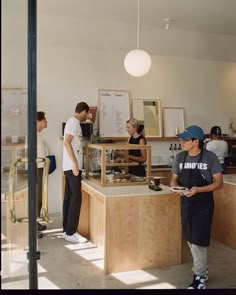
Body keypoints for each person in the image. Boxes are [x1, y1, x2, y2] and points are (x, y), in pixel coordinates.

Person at [170, 125, 223, 289]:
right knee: (190, 239)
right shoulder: (180, 157)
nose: (181, 142)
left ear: (195, 141)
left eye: (185, 140)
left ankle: (199, 277)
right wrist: (176, 188)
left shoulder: (210, 158)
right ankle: (202, 270)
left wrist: (199, 189)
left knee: (198, 240)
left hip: (203, 203)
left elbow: (218, 184)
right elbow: (174, 179)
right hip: (186, 202)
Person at [62, 102, 90, 243]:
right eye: (87, 113)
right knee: (75, 198)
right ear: (83, 111)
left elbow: (71, 144)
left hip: (69, 167)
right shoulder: (73, 122)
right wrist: (74, 163)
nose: (88, 116)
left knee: (69, 197)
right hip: (72, 167)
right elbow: (66, 142)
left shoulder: (73, 122)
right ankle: (71, 232)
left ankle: (67, 229)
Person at [37, 111, 49, 239]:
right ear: (38, 121)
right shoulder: (33, 135)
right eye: (44, 119)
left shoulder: (39, 135)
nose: (46, 121)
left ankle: (36, 222)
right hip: (36, 169)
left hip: (41, 168)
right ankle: (33, 227)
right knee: (36, 197)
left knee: (40, 197)